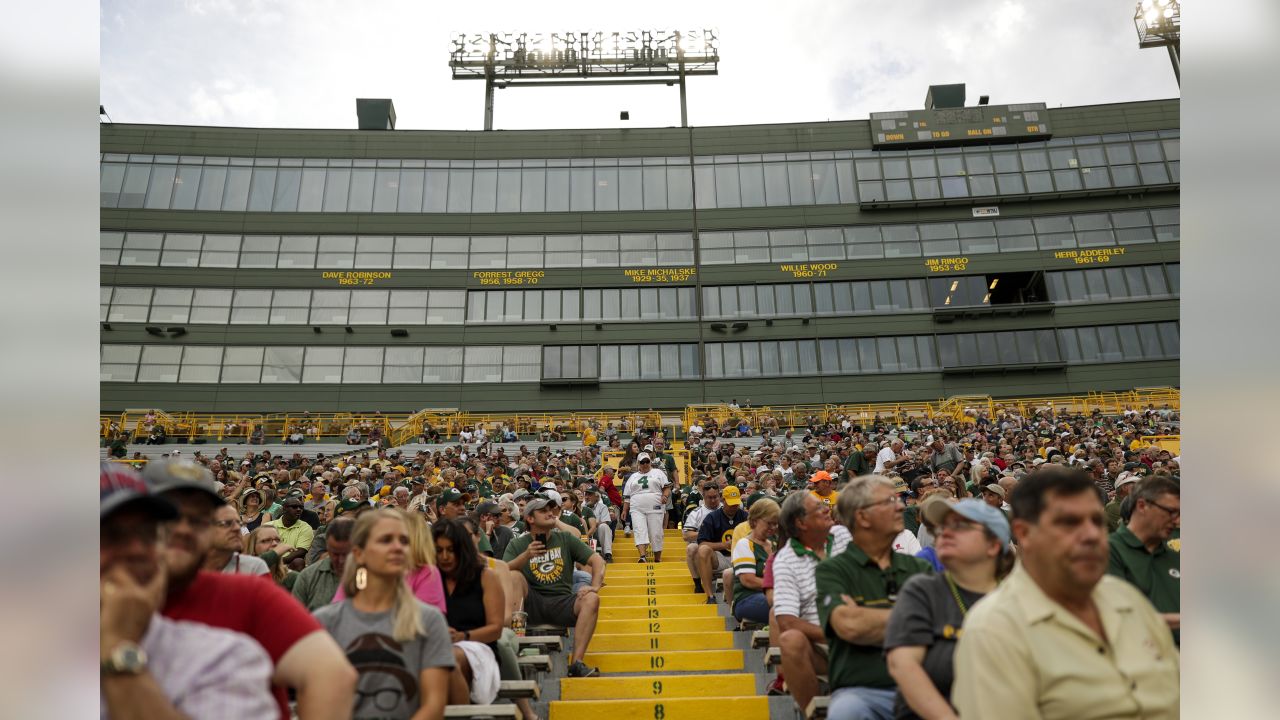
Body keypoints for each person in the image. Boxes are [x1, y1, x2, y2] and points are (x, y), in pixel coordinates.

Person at [952, 466, 1179, 720]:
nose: (1092, 535)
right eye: (1069, 523)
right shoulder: (996, 629)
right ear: (1024, 534)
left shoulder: (1127, 599)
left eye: (1096, 521)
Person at [145, 458, 358, 720]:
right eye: (169, 515)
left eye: (199, 519)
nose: (184, 529)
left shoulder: (249, 594)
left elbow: (334, 674)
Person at [100, 462, 277, 719]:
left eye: (147, 533)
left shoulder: (223, 658)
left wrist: (119, 648)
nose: (136, 550)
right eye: (109, 534)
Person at [314, 509, 455, 720]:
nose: (398, 548)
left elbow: (434, 705)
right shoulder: (326, 622)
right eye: (386, 540)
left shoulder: (429, 620)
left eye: (404, 541)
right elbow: (318, 704)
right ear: (359, 553)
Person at [816, 476, 934, 720]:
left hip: (926, 685)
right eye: (889, 501)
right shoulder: (833, 570)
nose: (901, 505)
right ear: (862, 517)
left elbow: (942, 624)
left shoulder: (919, 568)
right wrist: (916, 617)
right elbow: (848, 625)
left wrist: (865, 617)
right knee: (846, 711)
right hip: (865, 691)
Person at [884, 499, 1014, 720]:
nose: (944, 533)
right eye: (942, 528)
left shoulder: (1018, 601)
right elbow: (903, 665)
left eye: (960, 526)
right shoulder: (923, 590)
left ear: (993, 545)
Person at [502, 494, 605, 678]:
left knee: (592, 599)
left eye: (551, 510)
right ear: (530, 518)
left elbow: (597, 560)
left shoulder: (565, 539)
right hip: (532, 603)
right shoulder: (518, 544)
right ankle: (517, 641)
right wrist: (526, 556)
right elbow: (502, 572)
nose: (550, 513)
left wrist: (595, 586)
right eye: (543, 511)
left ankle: (577, 663)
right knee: (515, 576)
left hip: (562, 602)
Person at [773, 491, 851, 712]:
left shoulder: (843, 535)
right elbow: (787, 621)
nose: (827, 508)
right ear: (801, 522)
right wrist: (836, 633)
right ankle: (814, 713)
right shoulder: (786, 560)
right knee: (790, 640)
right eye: (818, 508)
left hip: (865, 631)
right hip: (823, 644)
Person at [432, 519, 504, 706]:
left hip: (478, 646)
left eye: (451, 550)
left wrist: (462, 636)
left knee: (449, 658)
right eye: (439, 551)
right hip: (435, 646)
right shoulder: (429, 579)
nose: (445, 557)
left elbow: (496, 629)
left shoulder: (486, 577)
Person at [1108, 475, 1180, 641]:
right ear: (1142, 506)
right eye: (1170, 512)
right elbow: (1115, 617)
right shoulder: (1110, 552)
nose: (1176, 521)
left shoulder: (1173, 552)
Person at [694, 484, 747, 603]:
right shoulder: (712, 517)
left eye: (736, 502)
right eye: (731, 502)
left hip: (742, 557)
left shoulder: (745, 516)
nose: (734, 505)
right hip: (721, 558)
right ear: (723, 500)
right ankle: (710, 596)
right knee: (702, 550)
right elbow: (702, 544)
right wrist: (724, 545)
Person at [730, 498, 779, 625]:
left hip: (774, 594)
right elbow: (748, 580)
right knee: (786, 606)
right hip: (748, 599)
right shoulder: (745, 544)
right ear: (755, 521)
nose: (773, 527)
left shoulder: (776, 542)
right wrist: (779, 588)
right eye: (769, 523)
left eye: (776, 524)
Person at [291, 517, 356, 611]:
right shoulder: (308, 577)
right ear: (328, 548)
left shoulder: (374, 574)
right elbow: (296, 616)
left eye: (347, 554)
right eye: (335, 554)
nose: (341, 560)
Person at [622, 452, 671, 563]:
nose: (645, 464)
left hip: (655, 506)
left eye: (647, 461)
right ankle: (642, 556)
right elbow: (627, 496)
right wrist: (625, 510)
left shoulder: (658, 472)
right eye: (642, 462)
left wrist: (665, 496)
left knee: (656, 532)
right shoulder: (633, 476)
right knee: (639, 530)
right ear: (638, 463)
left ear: (650, 461)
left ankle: (657, 558)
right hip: (637, 508)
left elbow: (667, 487)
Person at [204, 503, 270, 576]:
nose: (237, 528)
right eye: (227, 523)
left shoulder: (255, 567)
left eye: (239, 523)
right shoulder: (192, 566)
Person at [269, 494, 314, 571]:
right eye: (294, 507)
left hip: (289, 565)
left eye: (301, 507)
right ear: (284, 509)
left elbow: (301, 551)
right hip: (269, 563)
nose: (299, 509)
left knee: (299, 561)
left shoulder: (305, 527)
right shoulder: (269, 526)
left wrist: (280, 561)